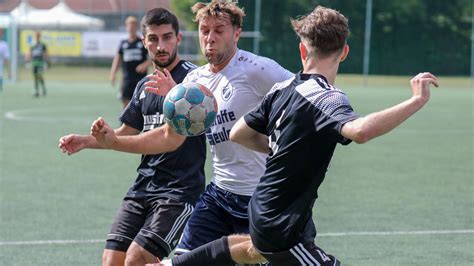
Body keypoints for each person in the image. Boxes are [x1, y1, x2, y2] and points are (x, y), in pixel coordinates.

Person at [158, 5, 439, 266]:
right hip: (281, 219)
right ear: (344, 52)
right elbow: (361, 130)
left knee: (249, 251)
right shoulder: (327, 97)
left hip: (264, 207)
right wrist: (416, 100)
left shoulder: (281, 88)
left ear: (302, 51)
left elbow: (239, 132)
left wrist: (277, 147)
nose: (210, 38)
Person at [89, 1, 299, 264]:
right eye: (204, 30)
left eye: (219, 30)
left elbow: (304, 95)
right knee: (183, 261)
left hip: (260, 198)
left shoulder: (256, 69)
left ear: (236, 33)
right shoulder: (193, 83)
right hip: (218, 196)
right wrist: (113, 141)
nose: (210, 38)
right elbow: (170, 137)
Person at [59, 8, 205, 266]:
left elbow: (167, 137)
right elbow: (125, 133)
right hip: (143, 187)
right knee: (111, 260)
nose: (160, 45)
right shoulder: (143, 85)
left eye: (167, 37)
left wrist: (175, 94)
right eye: (153, 38)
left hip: (178, 192)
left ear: (178, 39)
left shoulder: (194, 81)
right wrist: (86, 141)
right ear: (144, 41)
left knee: (136, 259)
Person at [110, 16, 150, 108]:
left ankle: (141, 121)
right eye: (129, 25)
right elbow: (117, 59)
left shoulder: (142, 41)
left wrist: (145, 64)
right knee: (125, 101)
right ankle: (126, 120)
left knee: (142, 100)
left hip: (140, 78)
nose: (131, 28)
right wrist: (113, 73)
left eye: (133, 26)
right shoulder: (123, 43)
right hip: (127, 78)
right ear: (126, 26)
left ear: (136, 27)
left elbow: (152, 56)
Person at [26, 31, 49, 97]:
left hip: (40, 63)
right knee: (35, 77)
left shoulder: (43, 45)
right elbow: (30, 54)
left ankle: (43, 89)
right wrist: (28, 61)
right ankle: (36, 91)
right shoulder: (32, 45)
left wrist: (46, 62)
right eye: (36, 36)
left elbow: (45, 54)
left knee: (40, 76)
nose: (37, 37)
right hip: (34, 63)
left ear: (40, 36)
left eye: (38, 36)